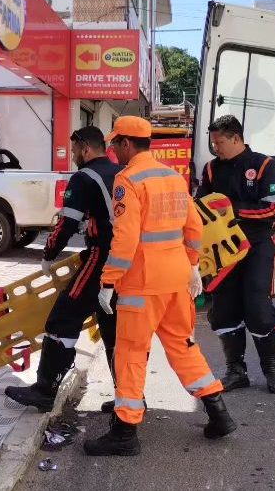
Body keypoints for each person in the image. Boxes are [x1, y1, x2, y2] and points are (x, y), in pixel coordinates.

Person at [83, 116, 236, 457]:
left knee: (131, 354)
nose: (112, 151)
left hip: (142, 283)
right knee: (184, 346)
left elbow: (125, 239)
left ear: (126, 143)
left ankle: (125, 432)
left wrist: (108, 281)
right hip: (177, 279)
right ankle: (218, 412)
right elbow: (194, 225)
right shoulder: (172, 176)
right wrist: (193, 266)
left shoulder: (128, 180)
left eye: (114, 144)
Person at [4, 126, 122, 413]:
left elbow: (67, 222)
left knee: (62, 318)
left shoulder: (85, 177)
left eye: (73, 151)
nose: (72, 157)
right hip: (125, 261)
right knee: (113, 330)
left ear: (85, 148)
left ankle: (45, 390)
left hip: (100, 257)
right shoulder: (119, 172)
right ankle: (129, 396)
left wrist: (49, 254)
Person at [195, 115, 275, 394]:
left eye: (219, 142)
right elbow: (200, 208)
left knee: (257, 307)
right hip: (223, 251)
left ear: (236, 138)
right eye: (213, 143)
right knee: (223, 311)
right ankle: (236, 371)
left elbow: (272, 210)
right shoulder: (211, 170)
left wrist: (229, 208)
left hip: (257, 246)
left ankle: (272, 370)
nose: (215, 148)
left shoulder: (265, 165)